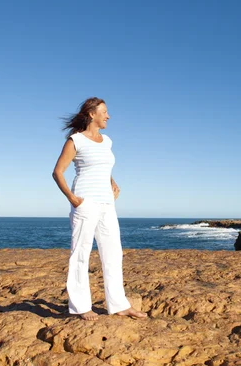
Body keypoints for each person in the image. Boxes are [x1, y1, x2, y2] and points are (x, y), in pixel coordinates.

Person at [52, 97, 147, 320]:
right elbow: (58, 172)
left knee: (113, 253)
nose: (108, 116)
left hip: (107, 204)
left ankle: (119, 305)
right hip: (85, 203)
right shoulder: (75, 140)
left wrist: (112, 182)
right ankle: (80, 307)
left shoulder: (107, 141)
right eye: (104, 112)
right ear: (92, 114)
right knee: (80, 254)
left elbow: (103, 165)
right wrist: (73, 199)